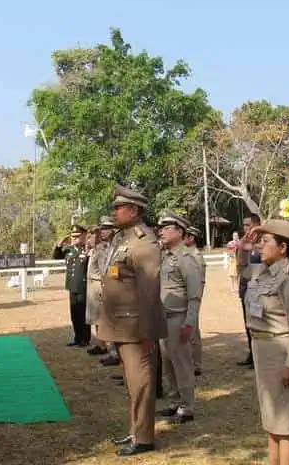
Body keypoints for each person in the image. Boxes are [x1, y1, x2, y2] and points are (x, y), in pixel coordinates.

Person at [97, 184, 167, 457]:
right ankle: (135, 430)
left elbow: (150, 290)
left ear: (134, 210)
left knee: (141, 384)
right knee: (131, 383)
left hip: (138, 328)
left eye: (119, 208)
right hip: (122, 325)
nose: (114, 212)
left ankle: (145, 438)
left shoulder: (143, 241)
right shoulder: (123, 238)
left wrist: (149, 333)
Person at [244, 219, 289, 465]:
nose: (261, 246)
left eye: (266, 241)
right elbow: (243, 269)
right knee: (271, 417)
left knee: (286, 419)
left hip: (282, 351)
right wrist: (246, 247)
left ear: (283, 248)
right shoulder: (262, 271)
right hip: (262, 349)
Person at [155, 213, 203, 424]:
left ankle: (187, 406)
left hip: (178, 318)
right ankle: (175, 401)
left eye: (167, 228)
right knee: (168, 363)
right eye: (161, 228)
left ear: (179, 231)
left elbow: (194, 295)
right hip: (163, 318)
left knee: (182, 364)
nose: (162, 231)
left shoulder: (186, 258)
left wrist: (189, 322)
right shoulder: (165, 256)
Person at [53, 225, 91, 347]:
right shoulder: (69, 250)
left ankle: (85, 339)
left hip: (83, 286)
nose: (75, 238)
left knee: (82, 314)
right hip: (72, 285)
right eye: (73, 236)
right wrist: (59, 245)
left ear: (84, 236)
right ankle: (77, 337)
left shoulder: (87, 250)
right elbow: (56, 256)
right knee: (74, 314)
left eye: (77, 236)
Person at [86, 217, 116, 356]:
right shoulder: (101, 248)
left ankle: (111, 350)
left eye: (106, 228)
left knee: (104, 319)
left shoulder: (112, 248)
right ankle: (102, 345)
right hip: (95, 284)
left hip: (103, 285)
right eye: (101, 229)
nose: (102, 232)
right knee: (96, 318)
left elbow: (109, 270)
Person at [237, 214, 262, 367]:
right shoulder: (246, 243)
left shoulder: (263, 243)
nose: (245, 228)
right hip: (246, 288)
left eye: (248, 225)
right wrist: (242, 247)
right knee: (248, 324)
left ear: (257, 225)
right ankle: (251, 354)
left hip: (259, 292)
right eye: (244, 225)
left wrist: (254, 247)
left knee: (257, 324)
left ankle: (258, 355)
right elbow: (240, 265)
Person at [185, 225, 207, 376]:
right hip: (184, 296)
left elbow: (198, 282)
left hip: (192, 296)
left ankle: (195, 364)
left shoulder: (196, 256)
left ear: (191, 238)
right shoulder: (186, 255)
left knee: (192, 330)